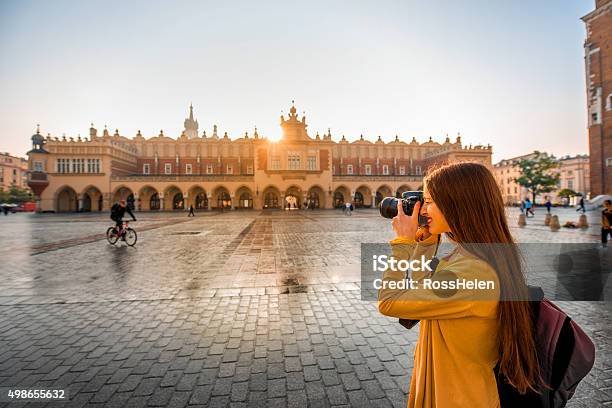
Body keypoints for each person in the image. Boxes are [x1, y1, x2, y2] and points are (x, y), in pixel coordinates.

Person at [379, 162, 540, 407]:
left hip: (458, 398)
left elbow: (391, 301)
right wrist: (425, 242)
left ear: (458, 204)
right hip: (448, 389)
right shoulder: (469, 256)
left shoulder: (474, 272)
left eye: (430, 201)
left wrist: (403, 243)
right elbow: (422, 292)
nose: (423, 209)